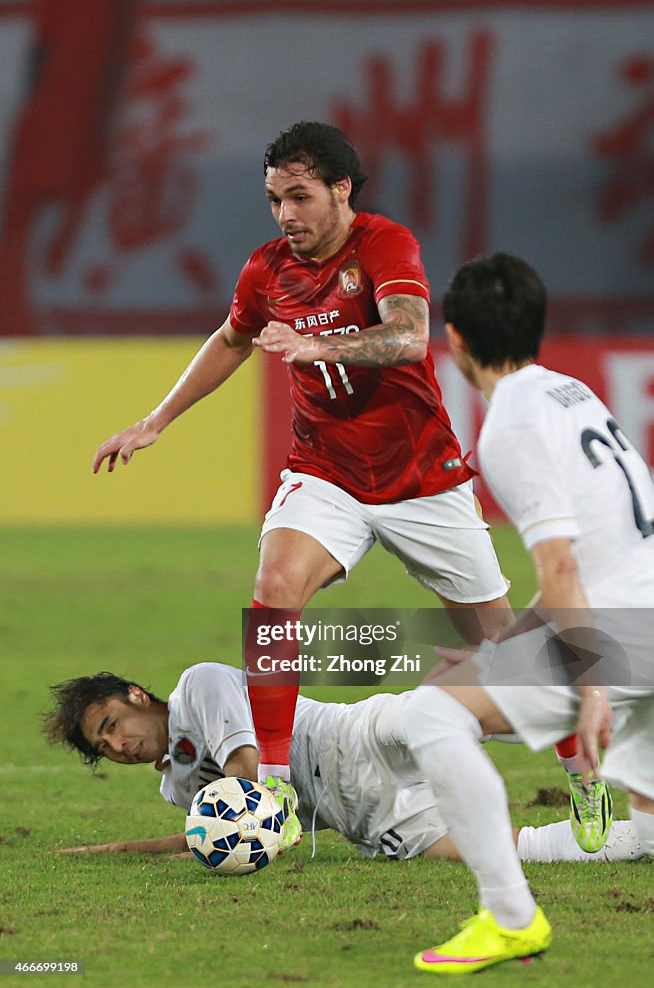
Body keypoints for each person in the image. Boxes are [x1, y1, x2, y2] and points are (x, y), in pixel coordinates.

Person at [91, 121, 513, 841]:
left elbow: (409, 334)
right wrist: (157, 420)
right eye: (273, 199)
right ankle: (275, 791)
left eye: (299, 196)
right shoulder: (266, 271)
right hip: (327, 472)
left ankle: (589, 777)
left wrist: (313, 342)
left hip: (422, 479)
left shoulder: (384, 244)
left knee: (513, 661)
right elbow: (231, 339)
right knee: (275, 587)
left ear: (339, 191)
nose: (285, 214)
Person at [391, 252, 654, 974]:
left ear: (457, 341)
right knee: (644, 828)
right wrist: (500, 654)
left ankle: (509, 918)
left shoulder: (508, 427)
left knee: (431, 716)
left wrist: (591, 687)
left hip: (630, 630)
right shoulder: (573, 392)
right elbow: (598, 553)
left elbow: (562, 565)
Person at [43, 662, 642, 865]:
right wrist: (114, 851)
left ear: (137, 697)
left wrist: (248, 815)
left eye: (112, 725)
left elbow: (247, 764)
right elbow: (209, 833)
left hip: (349, 740)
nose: (118, 745)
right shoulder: (177, 790)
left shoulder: (198, 688)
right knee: (520, 848)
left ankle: (605, 703)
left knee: (460, 714)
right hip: (367, 821)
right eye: (104, 747)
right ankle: (642, 836)